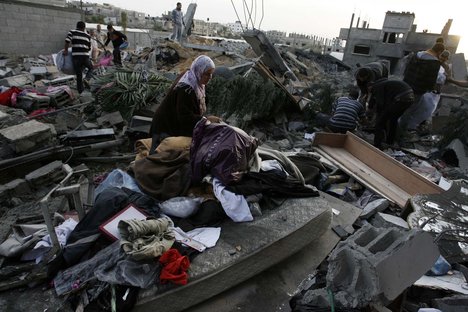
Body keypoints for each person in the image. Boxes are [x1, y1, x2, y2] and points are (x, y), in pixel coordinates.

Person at [149, 55, 221, 154]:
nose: (210, 77)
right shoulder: (186, 89)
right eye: (207, 74)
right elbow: (184, 117)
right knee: (159, 159)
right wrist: (206, 120)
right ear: (199, 71)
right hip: (165, 128)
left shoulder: (195, 79)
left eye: (211, 74)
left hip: (173, 127)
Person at [399, 42, 445, 130]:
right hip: (418, 90)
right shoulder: (434, 63)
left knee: (400, 106)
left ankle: (392, 126)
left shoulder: (416, 55)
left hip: (405, 85)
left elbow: (406, 68)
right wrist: (430, 90)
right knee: (410, 110)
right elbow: (431, 80)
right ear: (439, 51)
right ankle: (399, 132)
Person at [367, 79, 414, 148]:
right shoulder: (383, 84)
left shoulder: (377, 87)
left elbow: (381, 104)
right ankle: (390, 141)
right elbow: (376, 100)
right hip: (410, 98)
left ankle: (377, 145)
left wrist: (377, 117)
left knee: (379, 123)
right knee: (393, 120)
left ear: (370, 87)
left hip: (400, 98)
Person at [63, 21, 93, 94]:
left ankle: (81, 92)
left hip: (76, 57)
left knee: (79, 74)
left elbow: (67, 41)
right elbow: (89, 48)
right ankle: (87, 79)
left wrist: (66, 50)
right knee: (91, 68)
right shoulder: (88, 35)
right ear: (84, 27)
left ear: (77, 26)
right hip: (85, 57)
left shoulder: (72, 32)